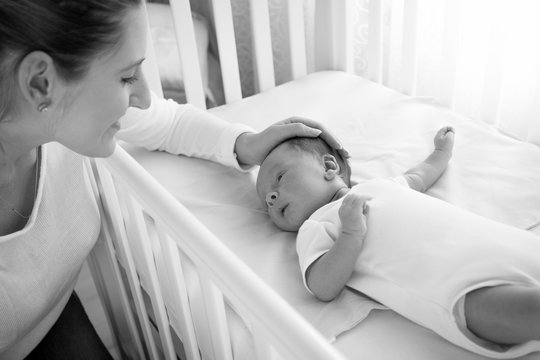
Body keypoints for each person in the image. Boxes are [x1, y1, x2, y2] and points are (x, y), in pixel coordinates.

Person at [0, 1, 346, 359]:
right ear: (41, 83)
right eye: (126, 76)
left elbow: (165, 121)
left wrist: (246, 143)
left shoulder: (53, 120)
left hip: (52, 311)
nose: (142, 95)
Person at [256, 127, 540, 358]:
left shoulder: (380, 185)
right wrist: (350, 234)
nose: (271, 197)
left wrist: (441, 152)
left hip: (497, 243)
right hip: (453, 285)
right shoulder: (316, 225)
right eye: (267, 198)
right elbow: (322, 285)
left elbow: (418, 176)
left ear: (329, 166)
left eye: (279, 178)